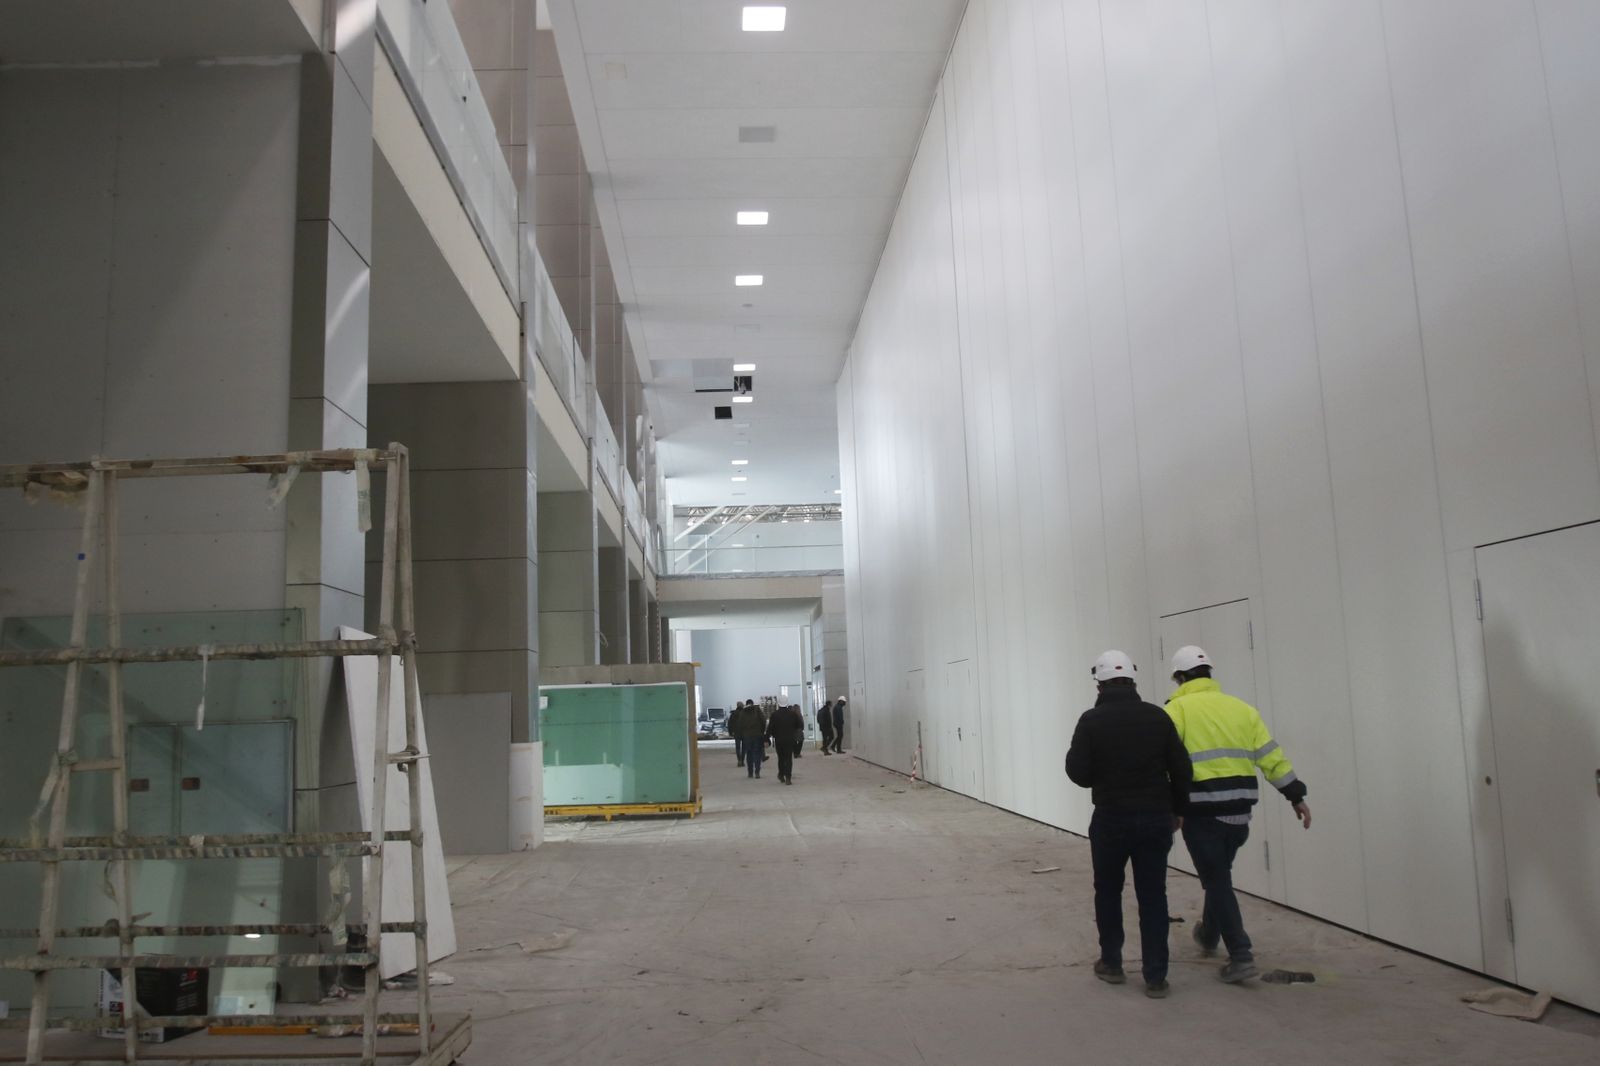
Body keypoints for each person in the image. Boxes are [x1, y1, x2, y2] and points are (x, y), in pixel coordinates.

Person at [1165, 645, 1311, 984]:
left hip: (1201, 813)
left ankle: (1241, 955)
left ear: (1180, 677)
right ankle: (1208, 935)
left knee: (1216, 880)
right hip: (1240, 814)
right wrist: (1295, 795)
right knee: (1219, 876)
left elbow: (1168, 765)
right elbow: (1271, 757)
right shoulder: (1242, 709)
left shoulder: (1176, 711)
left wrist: (1171, 808)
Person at [1065, 650, 1192, 999]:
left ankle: (1112, 962)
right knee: (1153, 895)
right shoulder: (1158, 717)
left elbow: (1077, 772)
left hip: (1111, 818)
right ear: (1133, 680)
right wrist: (1179, 809)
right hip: (1155, 818)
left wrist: (1103, 775)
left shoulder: (1091, 721)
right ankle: (1156, 976)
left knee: (1108, 890)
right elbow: (1182, 769)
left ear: (1100, 684)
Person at [766, 703, 805, 785]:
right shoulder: (793, 714)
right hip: (790, 739)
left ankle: (781, 774)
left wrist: (767, 738)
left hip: (779, 740)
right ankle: (788, 777)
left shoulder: (774, 714)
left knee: (781, 758)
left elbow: (770, 728)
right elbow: (799, 725)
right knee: (788, 758)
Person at [733, 699, 766, 779]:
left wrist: (742, 734)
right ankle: (757, 772)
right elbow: (763, 721)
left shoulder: (743, 712)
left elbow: (740, 725)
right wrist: (762, 731)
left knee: (749, 754)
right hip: (757, 735)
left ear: (746, 704)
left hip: (747, 736)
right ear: (752, 704)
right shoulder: (757, 710)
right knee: (757, 753)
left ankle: (750, 772)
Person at [731, 700, 749, 766]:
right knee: (744, 747)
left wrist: (731, 732)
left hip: (737, 732)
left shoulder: (733, 713)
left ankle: (739, 760)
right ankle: (742, 761)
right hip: (744, 732)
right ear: (743, 706)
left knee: (738, 747)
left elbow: (730, 723)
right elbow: (748, 723)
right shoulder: (746, 713)